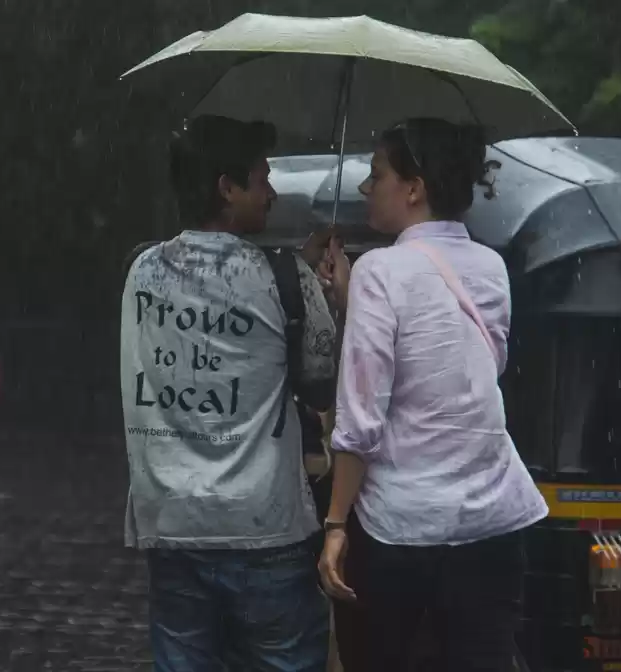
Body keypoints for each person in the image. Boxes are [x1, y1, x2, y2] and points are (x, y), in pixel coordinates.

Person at [316, 118, 549, 671]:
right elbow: (455, 368)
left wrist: (335, 525)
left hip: (403, 531)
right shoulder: (491, 266)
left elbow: (361, 419)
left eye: (377, 175)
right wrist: (357, 300)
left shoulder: (379, 271)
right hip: (492, 524)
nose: (366, 189)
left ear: (414, 187)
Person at [120, 114, 341, 672]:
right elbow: (321, 380)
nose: (270, 192)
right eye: (261, 178)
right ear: (226, 187)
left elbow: (213, 313)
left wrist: (297, 281)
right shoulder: (283, 276)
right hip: (263, 527)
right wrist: (321, 292)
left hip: (171, 524)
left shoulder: (142, 271)